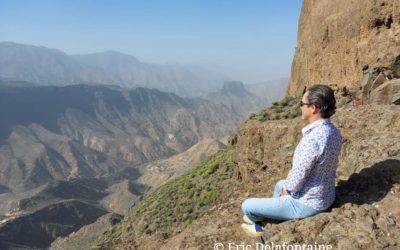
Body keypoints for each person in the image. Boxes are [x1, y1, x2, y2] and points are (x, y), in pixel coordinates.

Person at [241, 84, 342, 237]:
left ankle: (259, 229)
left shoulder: (312, 139)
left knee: (247, 206)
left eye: (302, 104)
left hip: (308, 204)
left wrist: (288, 190)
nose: (300, 107)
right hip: (325, 196)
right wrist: (286, 188)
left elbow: (299, 173)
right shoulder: (333, 131)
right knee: (280, 184)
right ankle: (278, 215)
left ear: (313, 108)